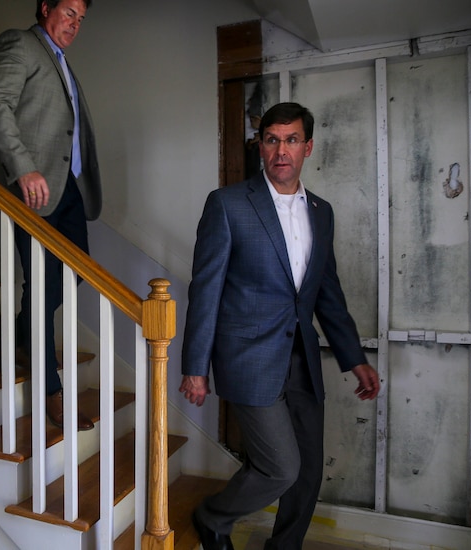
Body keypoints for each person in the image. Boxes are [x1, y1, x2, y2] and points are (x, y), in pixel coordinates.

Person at [179, 102, 380, 550]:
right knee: (280, 467)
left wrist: (354, 359)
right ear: (261, 147)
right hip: (249, 359)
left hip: (302, 359)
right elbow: (205, 290)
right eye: (272, 139)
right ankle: (213, 516)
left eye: (291, 140)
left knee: (307, 474)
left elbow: (326, 293)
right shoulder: (228, 205)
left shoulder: (322, 212)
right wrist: (195, 367)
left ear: (308, 147)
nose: (281, 150)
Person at [0, 0, 101, 431]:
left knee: (77, 273)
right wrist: (23, 166)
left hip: (68, 189)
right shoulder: (20, 44)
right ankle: (51, 390)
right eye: (69, 13)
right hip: (32, 187)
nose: (75, 24)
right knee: (43, 282)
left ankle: (14, 337)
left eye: (81, 19)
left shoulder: (62, 62)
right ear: (45, 6)